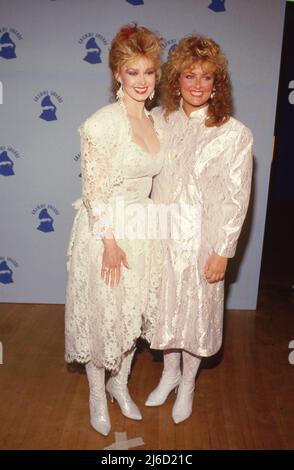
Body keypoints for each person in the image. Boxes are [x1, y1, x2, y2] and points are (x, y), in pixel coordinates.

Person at [145, 35, 253, 424]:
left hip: (202, 239)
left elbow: (236, 198)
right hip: (160, 236)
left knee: (194, 317)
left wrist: (223, 250)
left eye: (206, 78)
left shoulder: (234, 133)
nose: (197, 85)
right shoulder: (159, 119)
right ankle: (168, 373)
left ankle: (188, 382)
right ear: (175, 80)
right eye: (189, 76)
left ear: (217, 84)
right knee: (165, 313)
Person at [65, 24, 163, 436]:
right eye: (132, 72)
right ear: (117, 75)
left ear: (157, 75)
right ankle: (95, 393)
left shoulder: (158, 122)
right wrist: (108, 242)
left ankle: (119, 384)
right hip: (107, 231)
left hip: (144, 228)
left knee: (134, 315)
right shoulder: (102, 123)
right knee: (104, 313)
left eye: (148, 72)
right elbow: (95, 188)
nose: (141, 81)